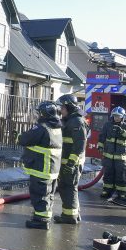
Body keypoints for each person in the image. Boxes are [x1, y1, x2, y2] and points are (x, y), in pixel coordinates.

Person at [19, 101, 63, 230]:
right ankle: (45, 216)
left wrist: (18, 137)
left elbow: (25, 139)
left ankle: (41, 221)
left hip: (41, 168)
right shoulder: (57, 127)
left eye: (39, 113)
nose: (37, 115)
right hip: (52, 169)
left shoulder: (42, 128)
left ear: (44, 114)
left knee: (39, 194)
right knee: (48, 195)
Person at [55, 94, 88, 224]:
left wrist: (71, 163)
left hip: (71, 163)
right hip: (66, 162)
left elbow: (80, 145)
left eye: (62, 107)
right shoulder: (69, 120)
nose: (60, 110)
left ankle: (70, 217)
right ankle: (73, 213)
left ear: (69, 107)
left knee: (69, 188)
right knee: (66, 187)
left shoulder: (77, 121)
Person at [98, 106, 126, 200]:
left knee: (121, 176)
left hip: (121, 158)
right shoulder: (107, 125)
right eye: (115, 116)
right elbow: (102, 136)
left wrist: (123, 132)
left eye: (118, 116)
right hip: (108, 156)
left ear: (123, 117)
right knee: (108, 174)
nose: (116, 118)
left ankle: (121, 194)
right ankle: (106, 191)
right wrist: (100, 146)